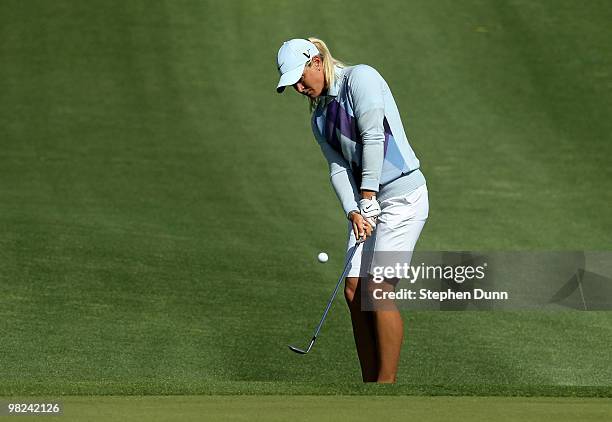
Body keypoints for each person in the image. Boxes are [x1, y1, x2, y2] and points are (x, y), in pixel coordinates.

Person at [276, 38, 429, 383]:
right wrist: (353, 210)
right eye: (292, 85)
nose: (300, 88)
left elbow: (374, 137)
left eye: (300, 78)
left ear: (316, 61)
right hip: (366, 201)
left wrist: (369, 195)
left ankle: (386, 390)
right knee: (354, 290)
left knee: (377, 290)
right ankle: (369, 386)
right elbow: (337, 169)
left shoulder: (361, 79)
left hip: (403, 196)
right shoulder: (318, 118)